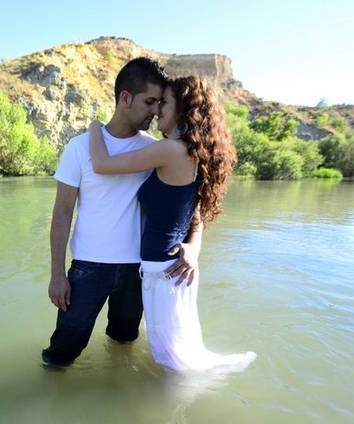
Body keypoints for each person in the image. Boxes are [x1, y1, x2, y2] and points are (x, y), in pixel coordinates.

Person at [88, 75, 256, 371]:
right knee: (178, 349)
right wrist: (194, 249)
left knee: (172, 359)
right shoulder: (193, 152)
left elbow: (102, 164)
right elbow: (196, 215)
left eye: (164, 103)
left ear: (183, 108)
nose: (157, 110)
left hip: (162, 271)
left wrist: (94, 128)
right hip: (174, 268)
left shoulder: (171, 150)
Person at [41, 58, 200, 367]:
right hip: (88, 268)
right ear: (125, 98)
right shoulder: (79, 147)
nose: (156, 110)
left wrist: (193, 247)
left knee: (124, 342)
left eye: (159, 103)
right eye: (149, 101)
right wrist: (57, 274)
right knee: (62, 352)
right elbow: (62, 213)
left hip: (137, 269)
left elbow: (190, 206)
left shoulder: (156, 148)